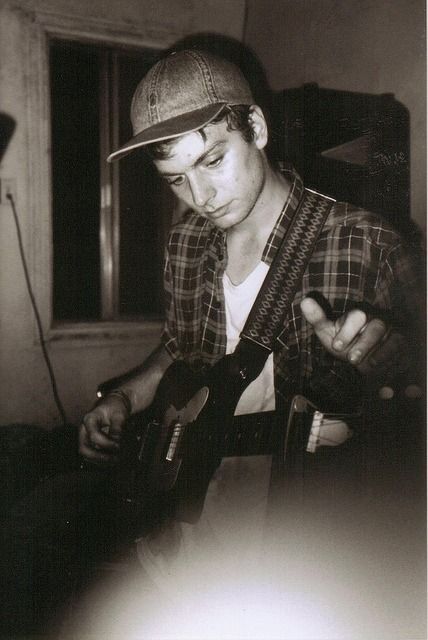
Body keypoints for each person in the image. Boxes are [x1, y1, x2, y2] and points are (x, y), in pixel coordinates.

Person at [1, 49, 424, 637]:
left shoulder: (369, 240)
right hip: (189, 531)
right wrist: (125, 396)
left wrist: (394, 357)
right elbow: (180, 348)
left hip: (312, 556)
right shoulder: (186, 244)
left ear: (255, 128)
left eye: (213, 160)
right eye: (176, 179)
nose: (200, 196)